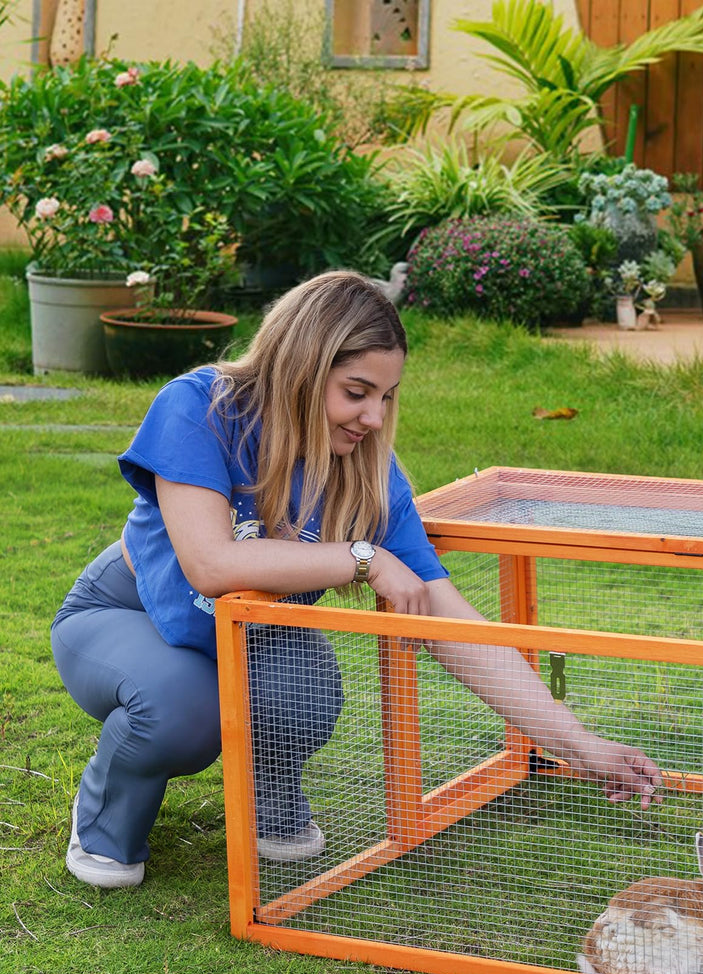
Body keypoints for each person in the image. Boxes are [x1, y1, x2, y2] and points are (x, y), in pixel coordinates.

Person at [50, 270, 662, 889]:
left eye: (387, 396)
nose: (373, 416)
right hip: (128, 614)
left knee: (307, 685)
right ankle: (105, 820)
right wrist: (363, 558)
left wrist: (579, 744)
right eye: (356, 392)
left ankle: (268, 795)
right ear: (303, 369)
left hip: (251, 638)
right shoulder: (200, 406)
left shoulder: (370, 473)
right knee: (183, 709)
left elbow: (456, 627)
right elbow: (211, 565)